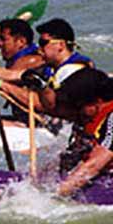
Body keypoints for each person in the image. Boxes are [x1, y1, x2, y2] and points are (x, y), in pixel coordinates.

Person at [55, 68, 113, 198]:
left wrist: (54, 196)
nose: (77, 112)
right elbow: (71, 157)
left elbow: (94, 165)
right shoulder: (90, 118)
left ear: (97, 102)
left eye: (78, 106)